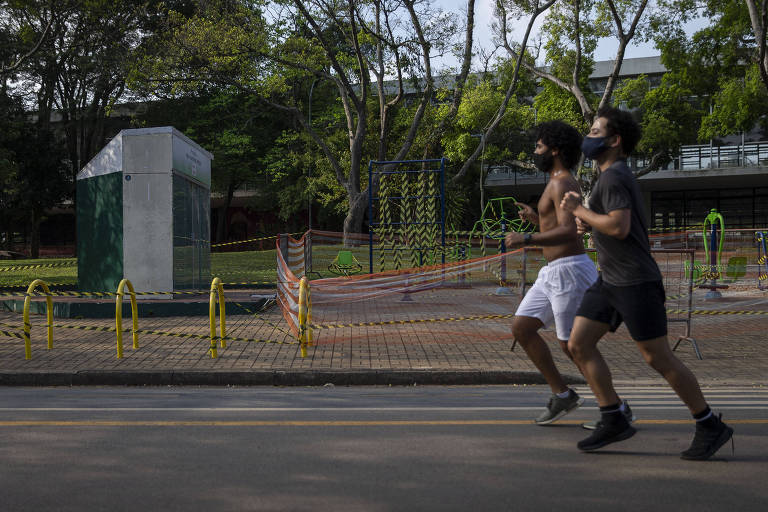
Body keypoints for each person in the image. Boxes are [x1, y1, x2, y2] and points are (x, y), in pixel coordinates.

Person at [560, 106, 733, 460]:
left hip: (636, 281)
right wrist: (587, 221)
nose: (588, 138)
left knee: (658, 357)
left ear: (615, 140)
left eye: (595, 132)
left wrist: (579, 211)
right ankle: (613, 417)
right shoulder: (608, 177)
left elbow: (620, 227)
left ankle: (709, 423)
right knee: (578, 344)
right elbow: (606, 222)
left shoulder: (615, 176)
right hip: (609, 280)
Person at [505, 120, 634, 426]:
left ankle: (616, 407)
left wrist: (526, 238)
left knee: (573, 345)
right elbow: (557, 227)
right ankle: (563, 395)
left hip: (569, 272)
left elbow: (568, 232)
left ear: (555, 150)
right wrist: (536, 220)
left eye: (539, 146)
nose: (536, 151)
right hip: (552, 273)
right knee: (522, 328)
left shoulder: (563, 182)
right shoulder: (555, 181)